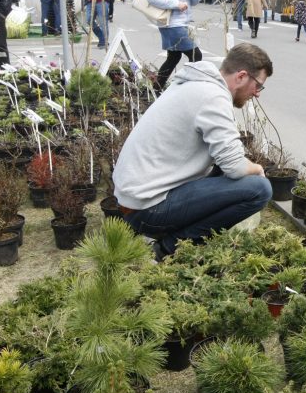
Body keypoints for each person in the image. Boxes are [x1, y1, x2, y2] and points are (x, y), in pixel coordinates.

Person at [113, 43, 274, 258]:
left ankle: (168, 237)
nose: (257, 94)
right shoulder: (213, 96)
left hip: (135, 198)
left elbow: (227, 157)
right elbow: (236, 167)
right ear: (242, 76)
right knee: (259, 189)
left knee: (223, 169)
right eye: (258, 85)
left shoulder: (195, 84)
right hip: (146, 208)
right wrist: (257, 168)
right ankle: (167, 249)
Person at [147, 0, 203, 91]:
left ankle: (157, 89)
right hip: (172, 24)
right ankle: (185, 89)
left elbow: (192, 3)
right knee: (196, 56)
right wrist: (176, 4)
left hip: (181, 23)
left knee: (173, 58)